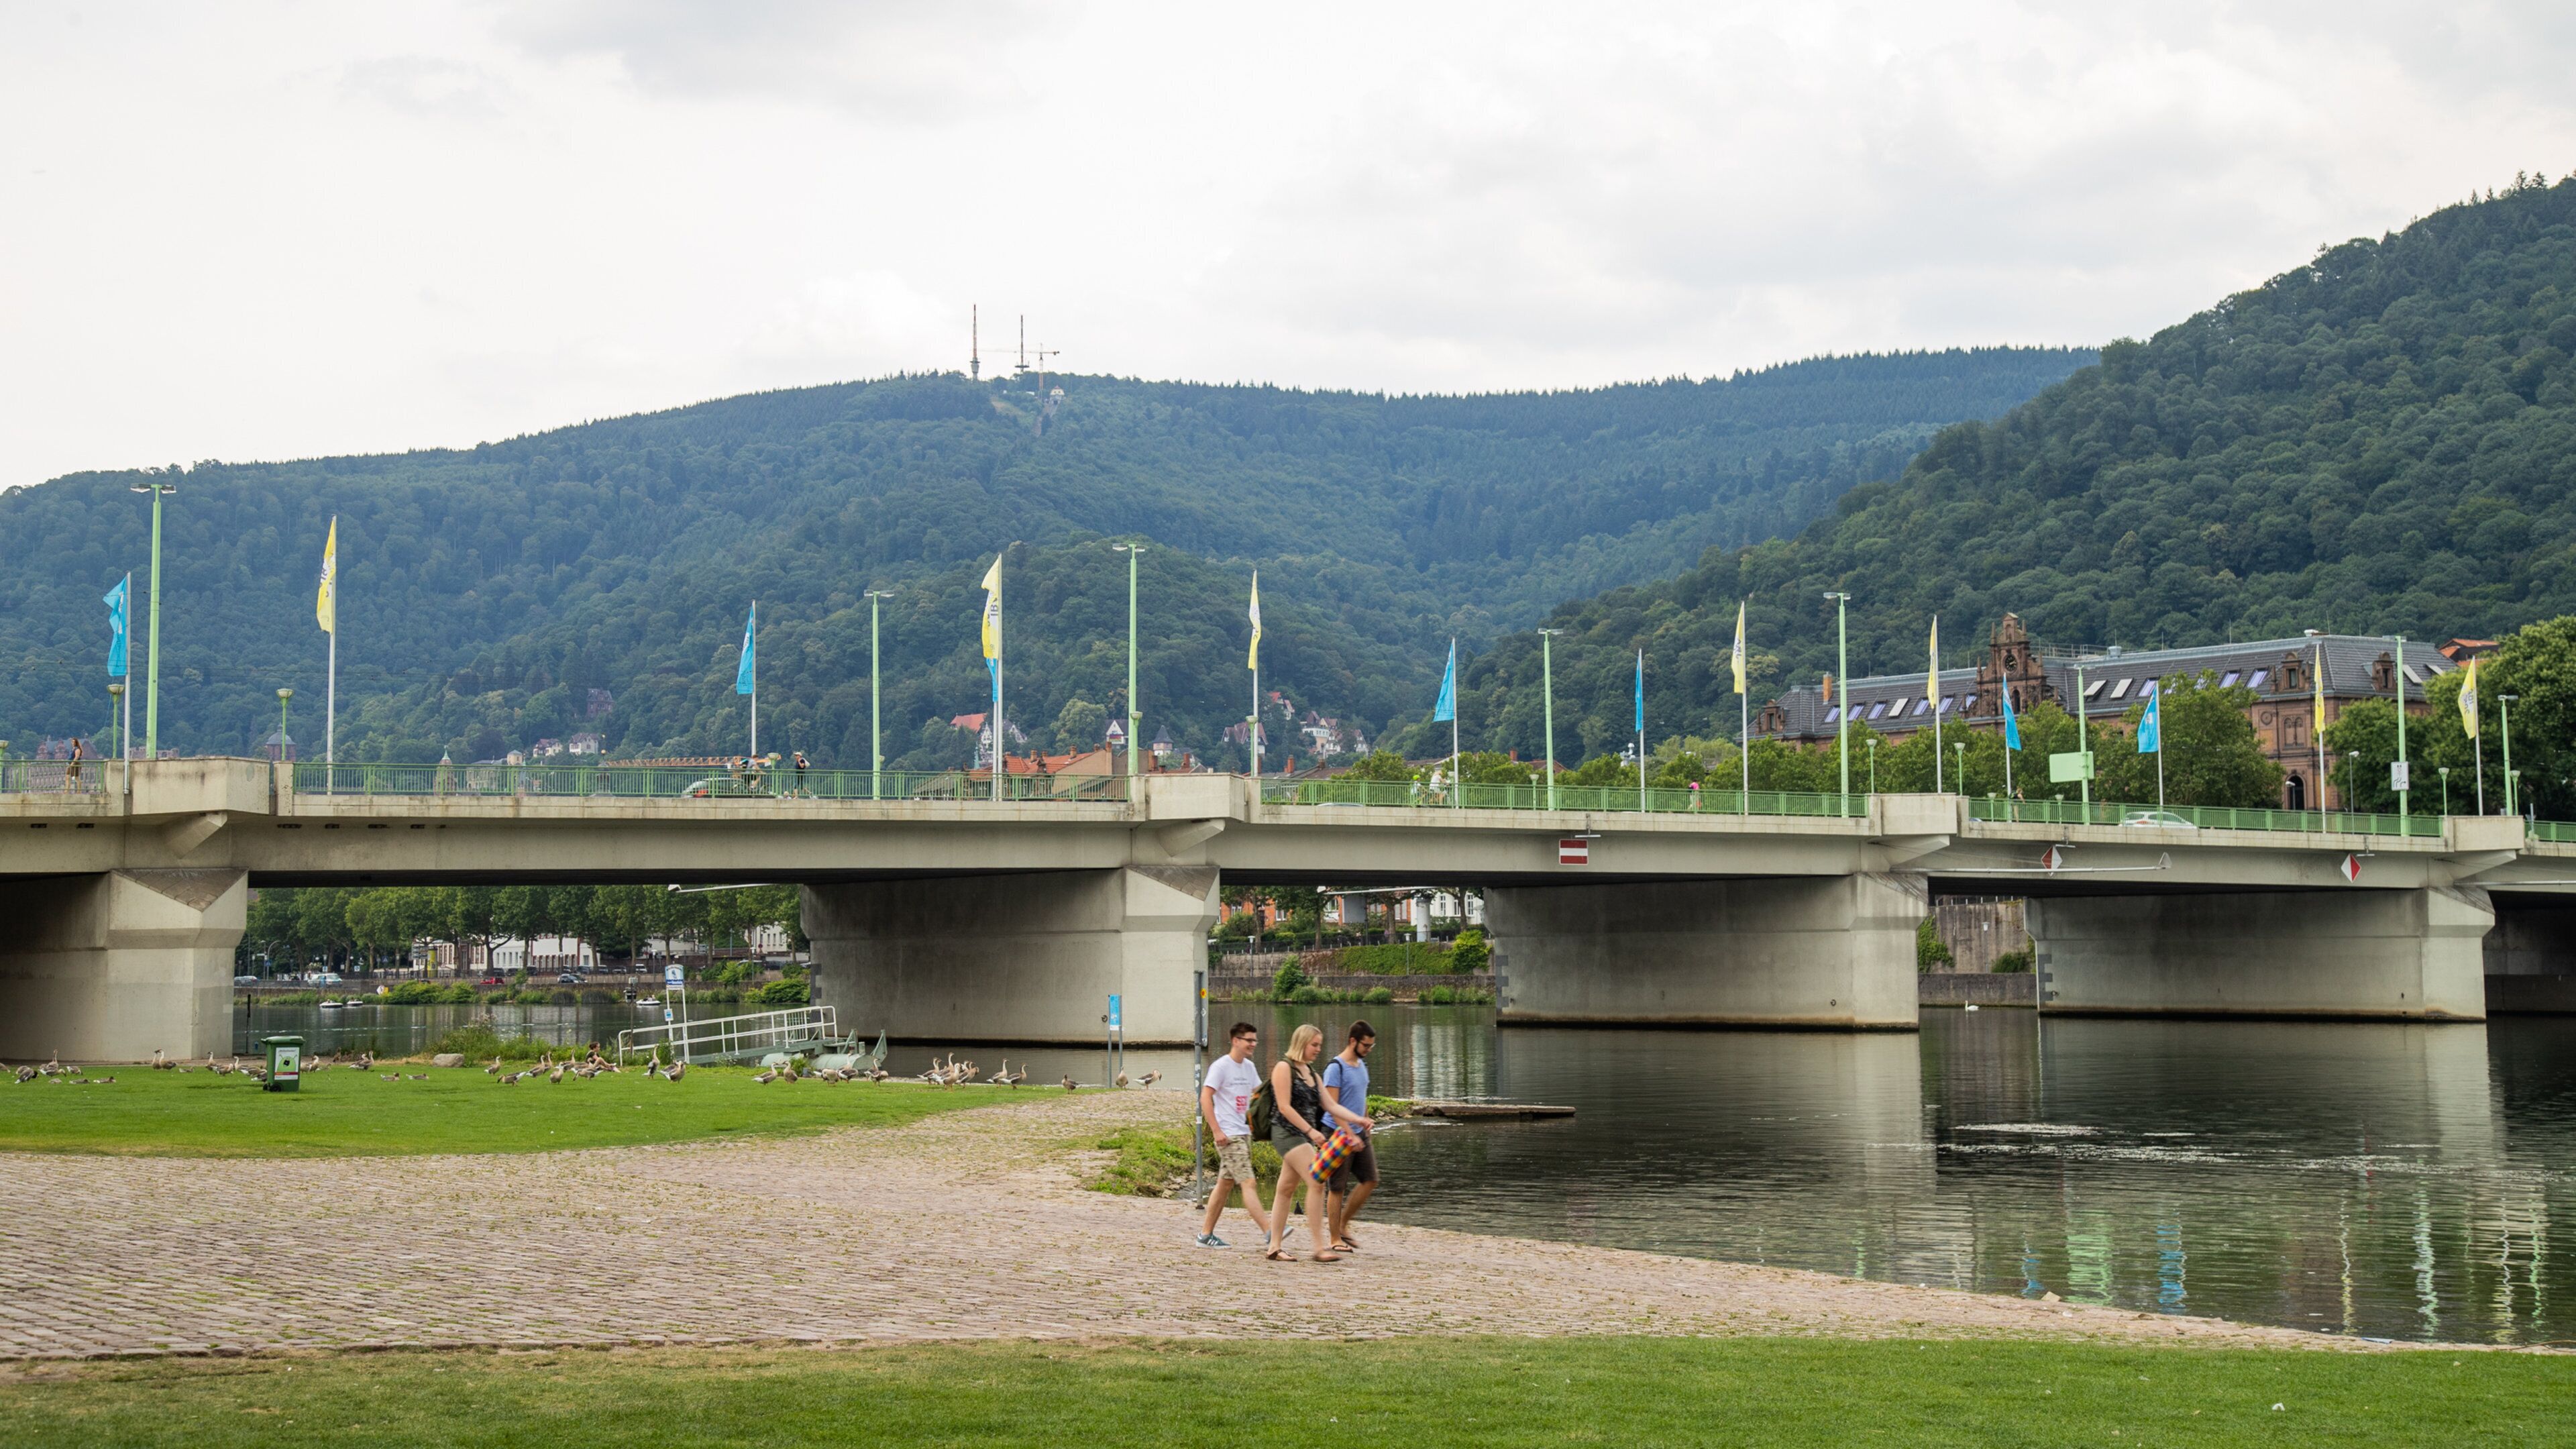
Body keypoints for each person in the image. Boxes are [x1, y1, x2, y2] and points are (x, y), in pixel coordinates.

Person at [1262, 1022, 1340, 1263]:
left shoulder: (1312, 1074)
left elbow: (1332, 1106)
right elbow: (1284, 1107)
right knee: (1318, 1180)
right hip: (1286, 1132)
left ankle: (1274, 1247)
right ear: (1302, 1043)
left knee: (1285, 1190)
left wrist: (1358, 1121)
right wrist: (1311, 1131)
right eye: (1314, 1045)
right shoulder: (1284, 1068)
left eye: (1320, 1045)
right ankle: (1319, 1248)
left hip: (1302, 1136)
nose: (1318, 1049)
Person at [1196, 1022, 1269, 1248]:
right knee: (1248, 1182)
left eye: (1255, 1040)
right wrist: (1217, 1131)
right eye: (1249, 1040)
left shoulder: (1248, 1067)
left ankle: (1205, 1235)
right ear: (1236, 1041)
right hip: (1229, 1135)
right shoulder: (1221, 1067)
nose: (1253, 1044)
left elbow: (1258, 1096)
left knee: (1225, 1184)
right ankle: (1270, 1231)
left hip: (1244, 1133)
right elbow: (1205, 1098)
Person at [1320, 1020, 1378, 1254]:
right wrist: (1347, 1132)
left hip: (1359, 1133)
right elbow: (1332, 1107)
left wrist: (1365, 1120)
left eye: (1371, 1046)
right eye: (1366, 1045)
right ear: (1353, 1041)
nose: (1368, 1050)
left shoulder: (1361, 1065)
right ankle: (1335, 1238)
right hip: (1337, 1133)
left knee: (1370, 1179)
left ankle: (1343, 1224)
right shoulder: (1336, 1067)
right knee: (1337, 1187)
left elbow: (1360, 1096)